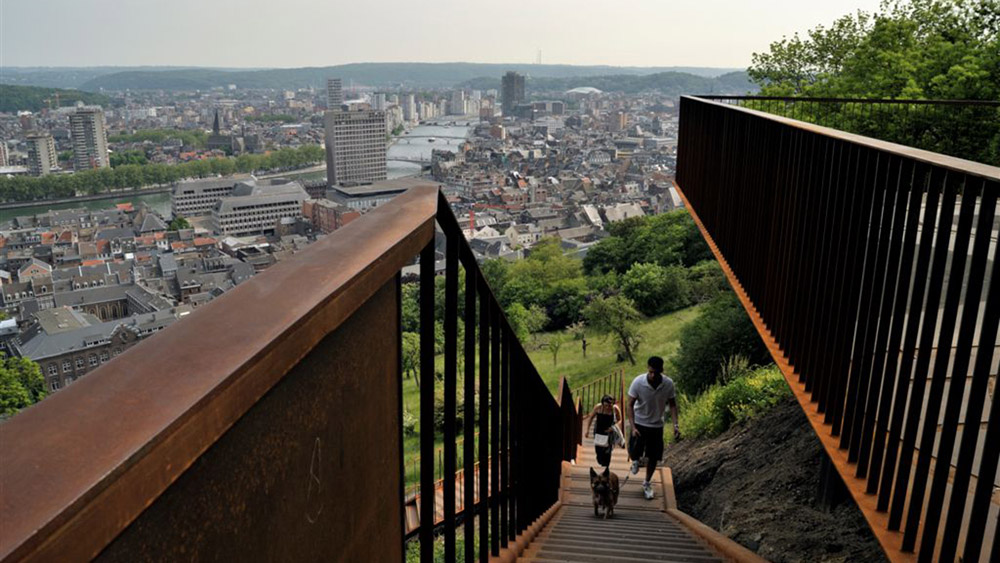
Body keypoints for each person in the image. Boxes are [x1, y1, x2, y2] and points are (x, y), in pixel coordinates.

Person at [627, 356, 680, 500]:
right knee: (634, 449)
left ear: (661, 371)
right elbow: (630, 404)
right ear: (647, 369)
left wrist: (675, 425)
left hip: (656, 424)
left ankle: (647, 482)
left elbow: (673, 405)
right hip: (639, 421)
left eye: (656, 373)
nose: (652, 375)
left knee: (653, 456)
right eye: (650, 372)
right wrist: (632, 426)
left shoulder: (668, 384)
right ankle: (635, 460)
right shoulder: (638, 382)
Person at [584, 394, 622, 468]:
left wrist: (614, 427)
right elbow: (591, 418)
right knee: (598, 449)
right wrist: (587, 430)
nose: (607, 407)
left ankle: (606, 466)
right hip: (599, 430)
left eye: (609, 406)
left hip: (609, 430)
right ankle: (600, 459)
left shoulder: (615, 408)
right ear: (603, 404)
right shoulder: (598, 407)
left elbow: (620, 420)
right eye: (606, 405)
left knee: (608, 449)